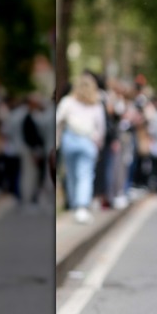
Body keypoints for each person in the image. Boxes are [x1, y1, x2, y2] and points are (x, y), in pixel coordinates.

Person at [56, 72, 106, 224]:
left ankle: (74, 204)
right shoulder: (96, 105)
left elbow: (58, 120)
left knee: (72, 174)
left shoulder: (67, 102)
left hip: (70, 141)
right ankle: (81, 207)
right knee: (85, 175)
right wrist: (99, 145)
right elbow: (101, 128)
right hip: (87, 141)